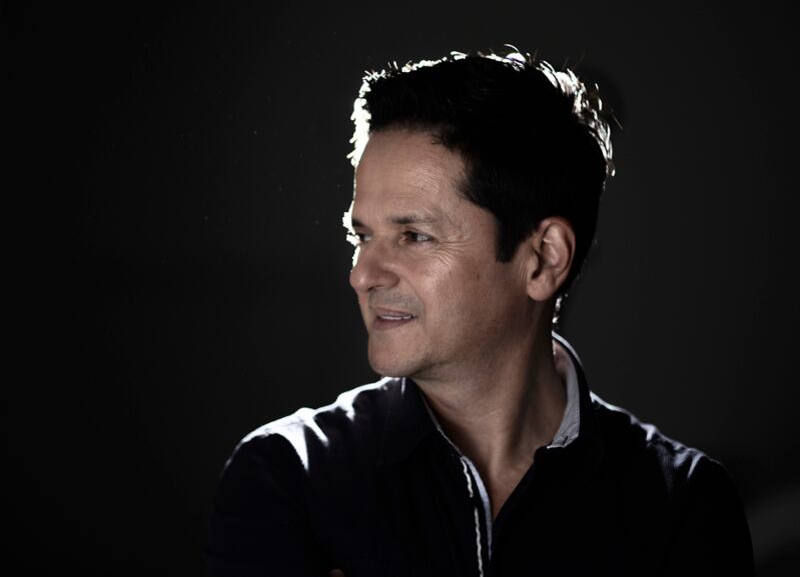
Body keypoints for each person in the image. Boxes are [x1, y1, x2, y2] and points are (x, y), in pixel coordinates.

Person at [207, 49, 754, 576]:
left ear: (543, 260)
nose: (363, 275)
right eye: (362, 237)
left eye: (414, 236)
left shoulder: (685, 504)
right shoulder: (285, 477)